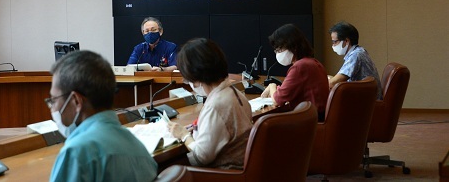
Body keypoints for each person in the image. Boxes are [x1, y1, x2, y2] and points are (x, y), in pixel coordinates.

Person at [48, 50, 157, 182]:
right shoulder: (137, 146)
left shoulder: (76, 153)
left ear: (76, 101)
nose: (52, 108)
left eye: (53, 100)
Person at [167, 38, 253, 169]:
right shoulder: (235, 93)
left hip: (224, 174)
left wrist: (183, 135)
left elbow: (201, 158)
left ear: (197, 77)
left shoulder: (215, 106)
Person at [261, 24, 329, 120]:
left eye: (280, 49)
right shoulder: (313, 62)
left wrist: (272, 86)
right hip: (317, 117)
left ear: (293, 46)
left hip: (309, 122)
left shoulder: (300, 67)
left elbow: (277, 100)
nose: (278, 53)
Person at [329, 21, 382, 99]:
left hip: (367, 103)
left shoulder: (356, 55)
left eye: (335, 42)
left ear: (346, 41)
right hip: (367, 99)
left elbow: (333, 83)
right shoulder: (360, 51)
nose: (333, 45)